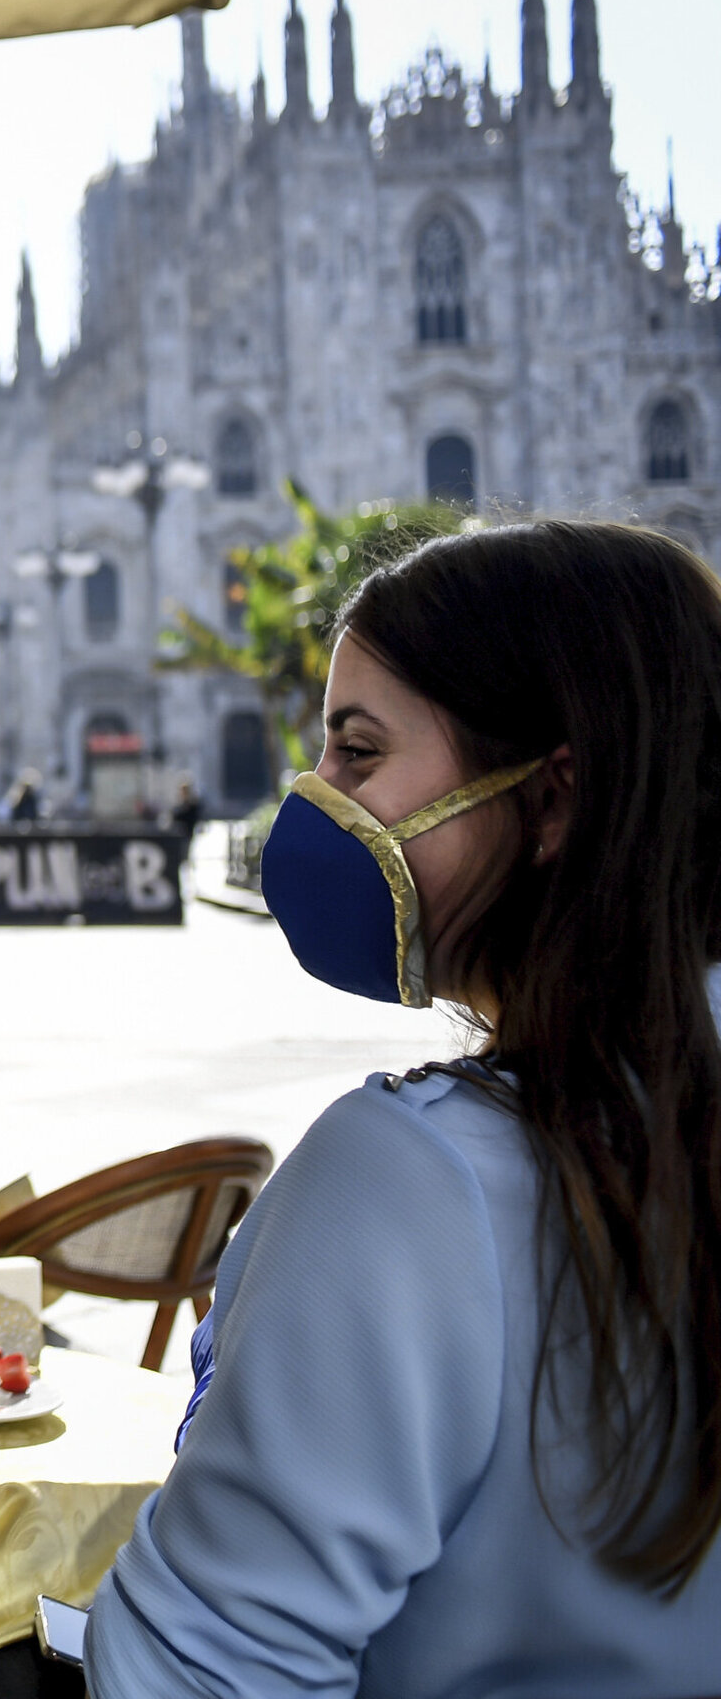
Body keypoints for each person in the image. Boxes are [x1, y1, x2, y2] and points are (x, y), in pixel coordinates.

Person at [87, 520, 721, 1695]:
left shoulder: (413, 1179)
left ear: (554, 800)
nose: (316, 800)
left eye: (360, 753)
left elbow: (203, 1668)